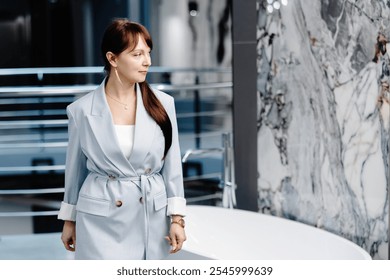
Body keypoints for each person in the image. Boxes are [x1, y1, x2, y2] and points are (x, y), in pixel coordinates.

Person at [58, 18, 187, 260]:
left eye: (148, 53)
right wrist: (69, 219)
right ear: (113, 58)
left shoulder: (163, 104)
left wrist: (177, 218)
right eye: (137, 54)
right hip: (100, 219)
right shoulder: (81, 110)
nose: (147, 61)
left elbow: (172, 166)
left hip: (149, 214)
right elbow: (74, 171)